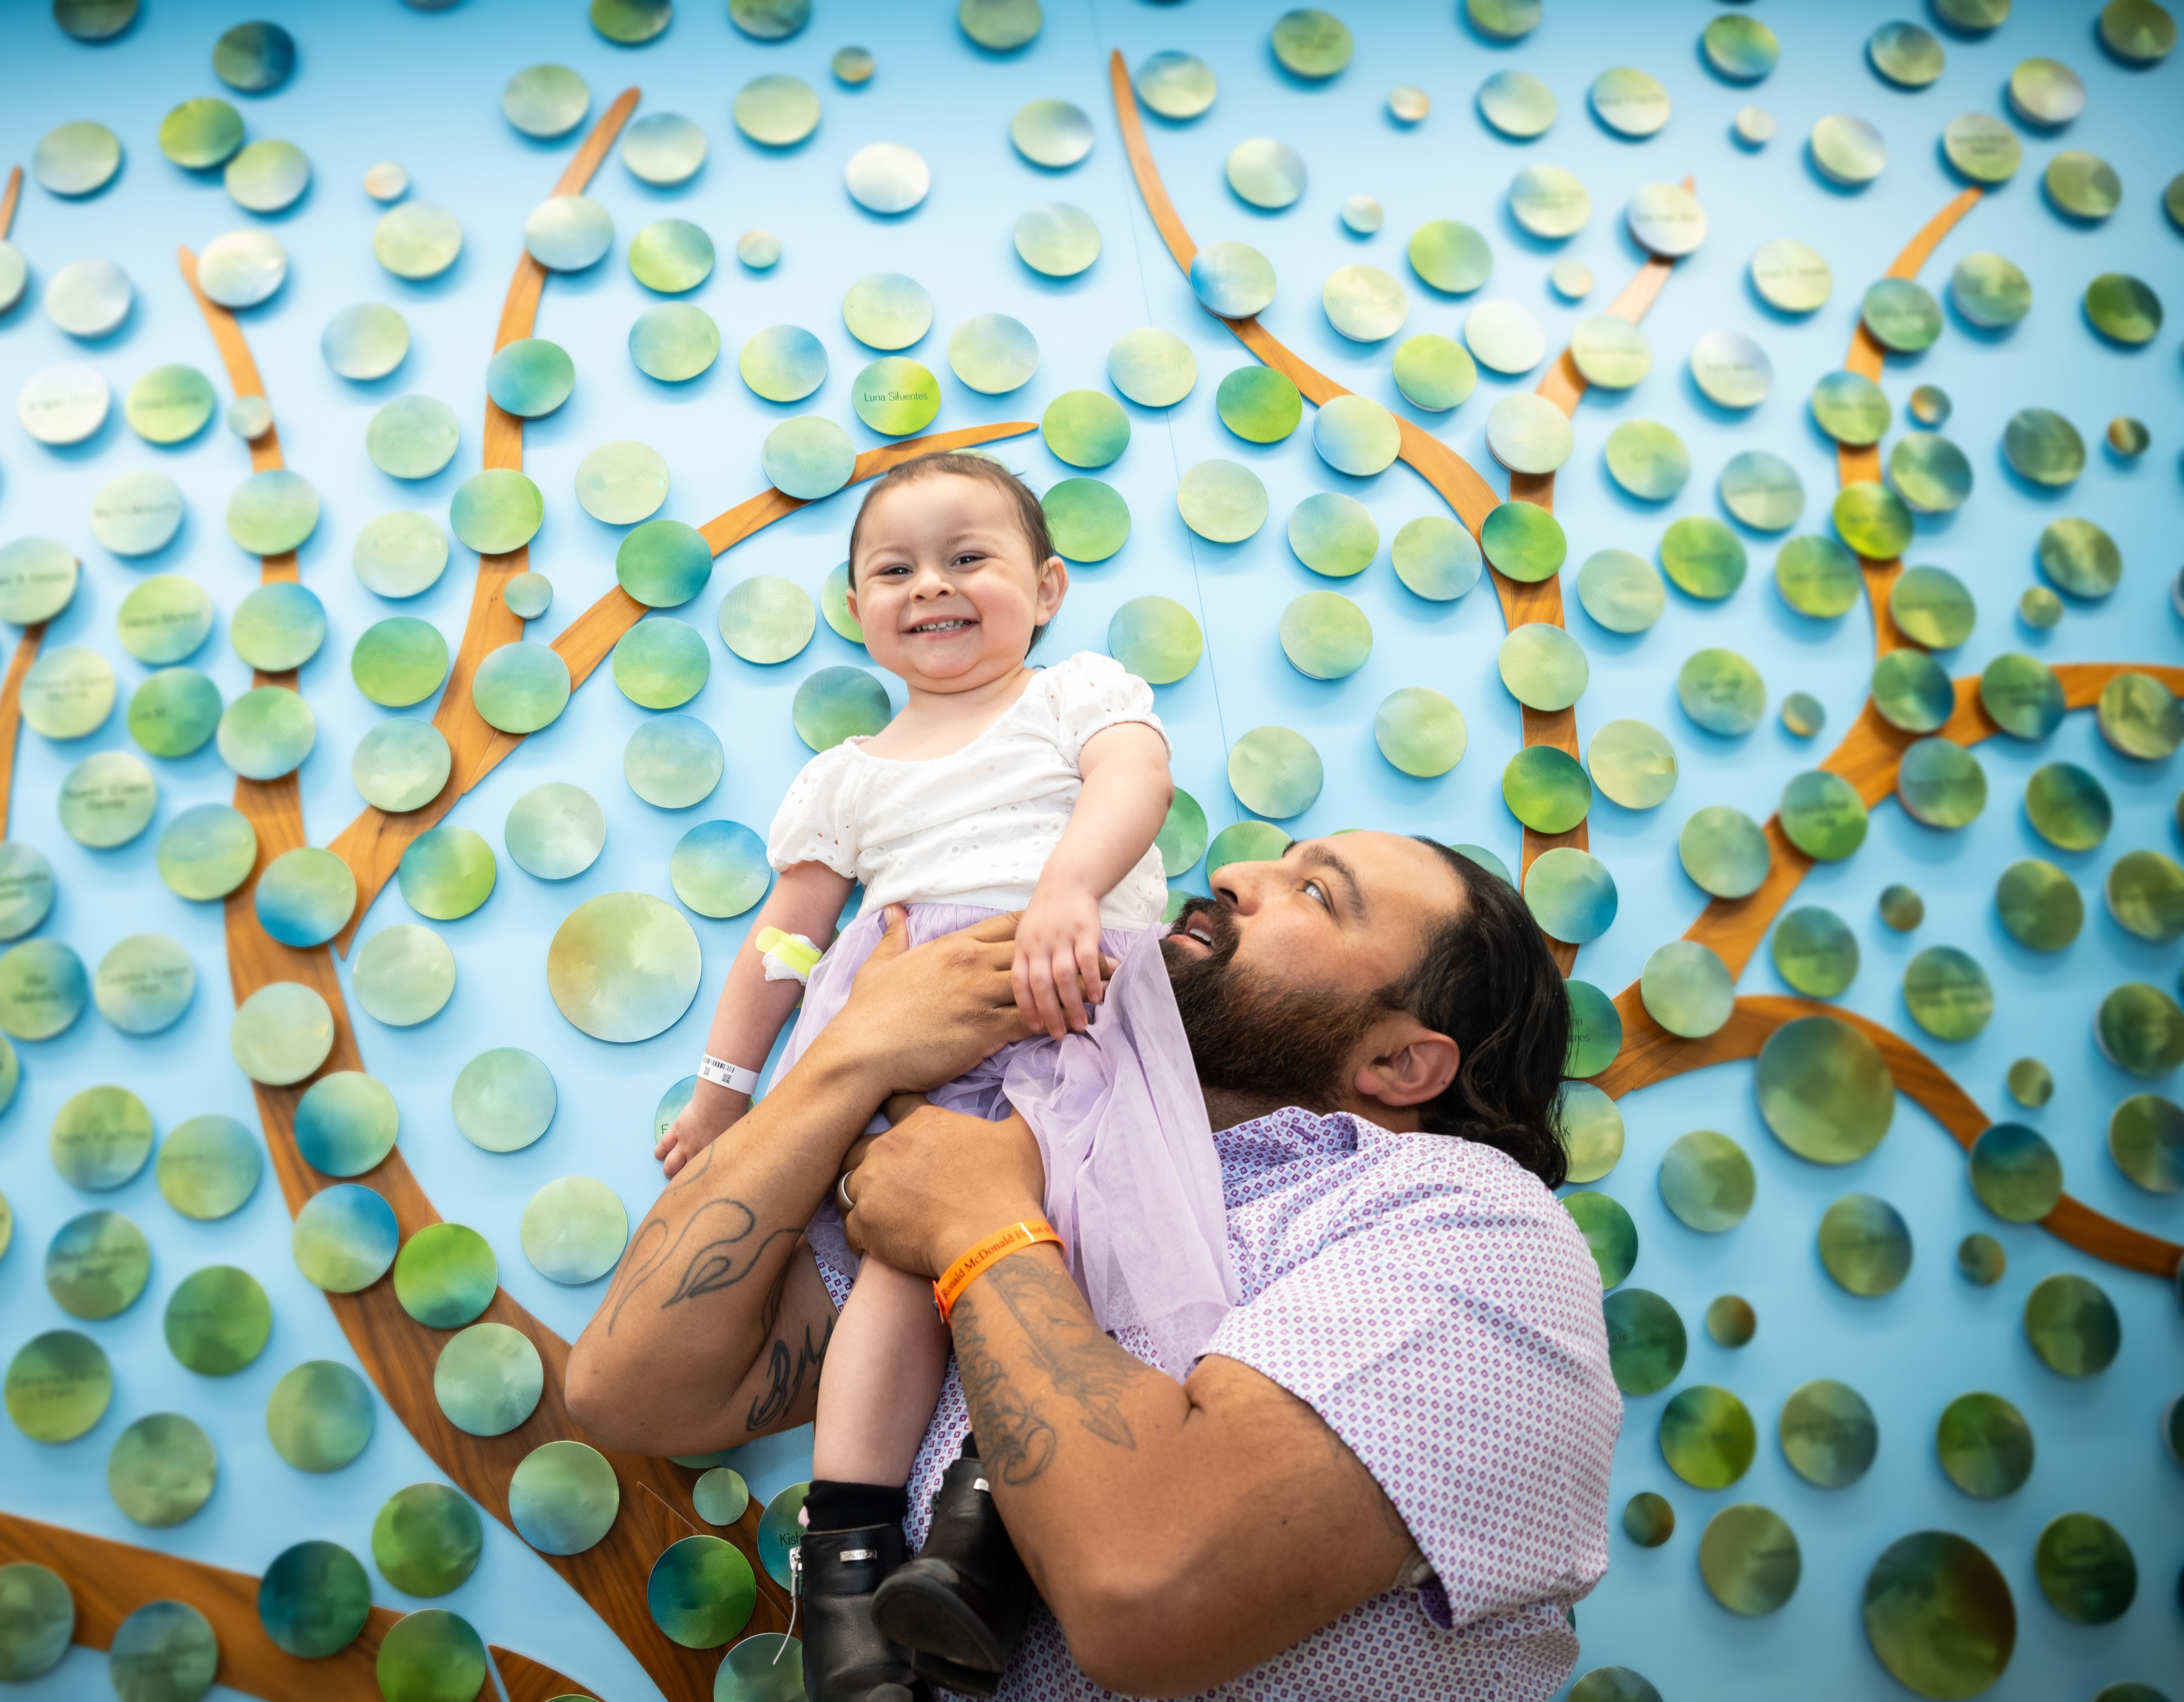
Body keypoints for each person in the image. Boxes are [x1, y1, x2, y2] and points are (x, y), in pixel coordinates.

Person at [571, 831, 1623, 1701]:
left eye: (1314, 891)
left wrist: (982, 1228)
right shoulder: (1039, 1140)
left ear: (1400, 1061)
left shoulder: (1476, 1228)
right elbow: (633, 1389)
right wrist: (857, 1052)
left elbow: (1150, 1591)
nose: (1234, 874)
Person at [652, 452, 1238, 1699]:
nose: (931, 585)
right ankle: (848, 1555)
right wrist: (721, 1088)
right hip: (918, 1029)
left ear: (1048, 587)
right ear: (855, 606)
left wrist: (1068, 886)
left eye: (968, 557)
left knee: (1083, 1241)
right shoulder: (848, 775)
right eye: (895, 568)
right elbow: (786, 939)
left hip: (1073, 1005)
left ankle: (987, 1528)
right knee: (899, 1262)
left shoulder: (1076, 694)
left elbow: (1136, 779)